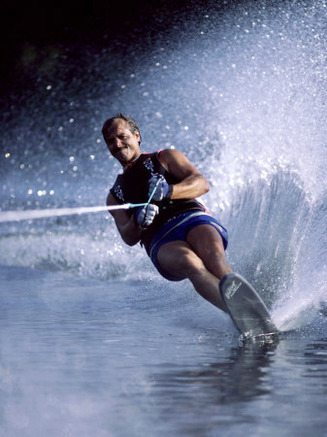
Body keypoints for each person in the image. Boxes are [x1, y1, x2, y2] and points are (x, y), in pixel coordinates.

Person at [103, 113, 233, 312]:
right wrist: (137, 222)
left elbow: (201, 184)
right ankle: (238, 312)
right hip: (161, 238)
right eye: (111, 141)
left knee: (214, 258)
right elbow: (128, 237)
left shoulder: (165, 157)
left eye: (122, 136)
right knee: (191, 263)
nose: (118, 144)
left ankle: (244, 304)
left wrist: (169, 191)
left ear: (136, 135)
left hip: (191, 218)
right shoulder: (114, 196)